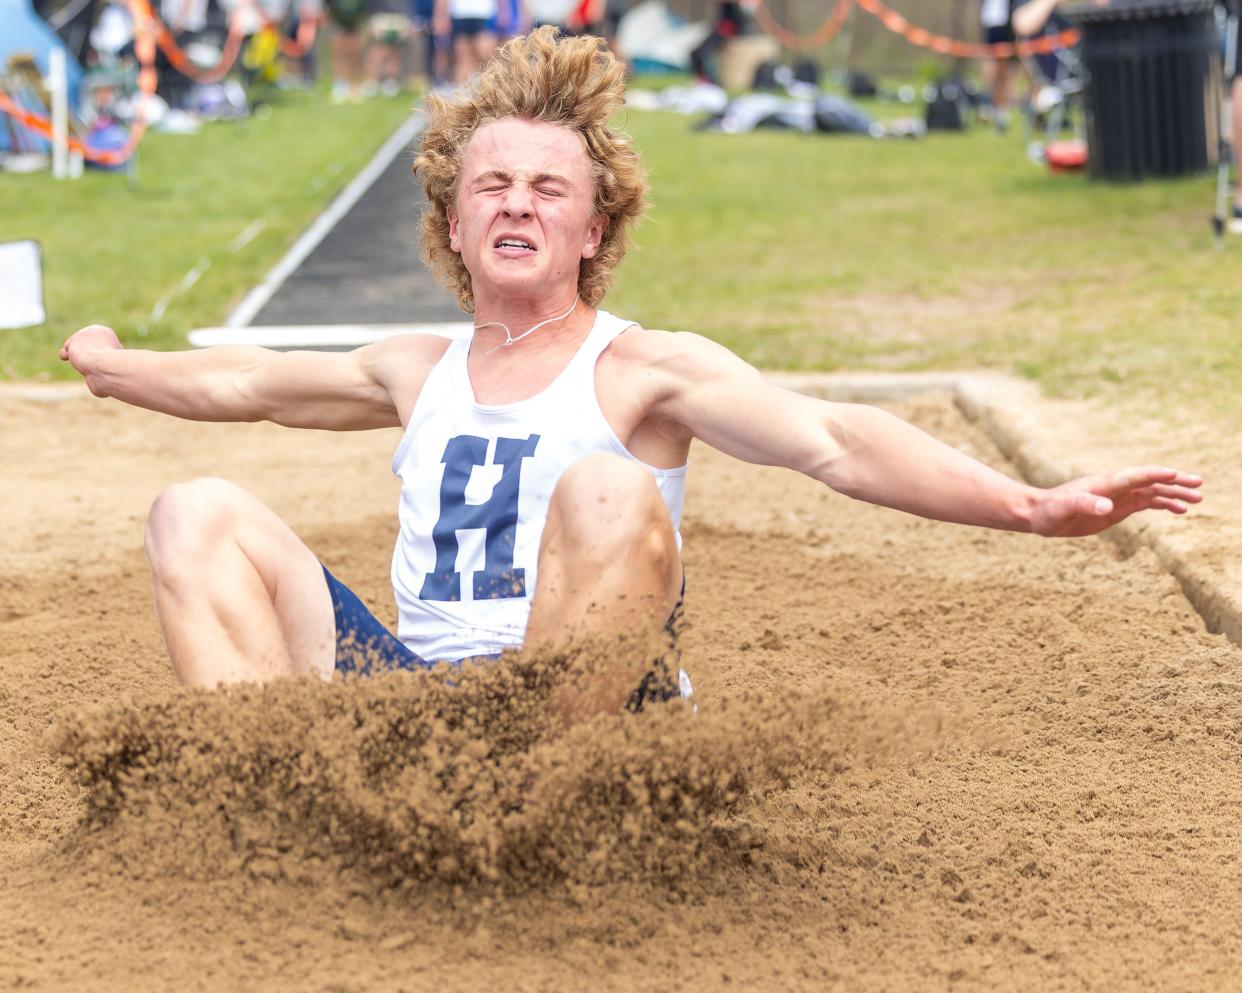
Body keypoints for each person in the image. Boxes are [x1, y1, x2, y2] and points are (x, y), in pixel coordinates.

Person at [59, 28, 1203, 719]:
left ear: (596, 231)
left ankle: (542, 817)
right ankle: (265, 791)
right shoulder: (415, 368)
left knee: (607, 486)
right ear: (452, 228)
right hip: (410, 702)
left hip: (580, 712)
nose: (515, 203)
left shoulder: (646, 370)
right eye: (490, 187)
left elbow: (835, 439)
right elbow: (245, 386)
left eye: (547, 189)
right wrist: (115, 368)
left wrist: (1028, 504)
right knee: (195, 510)